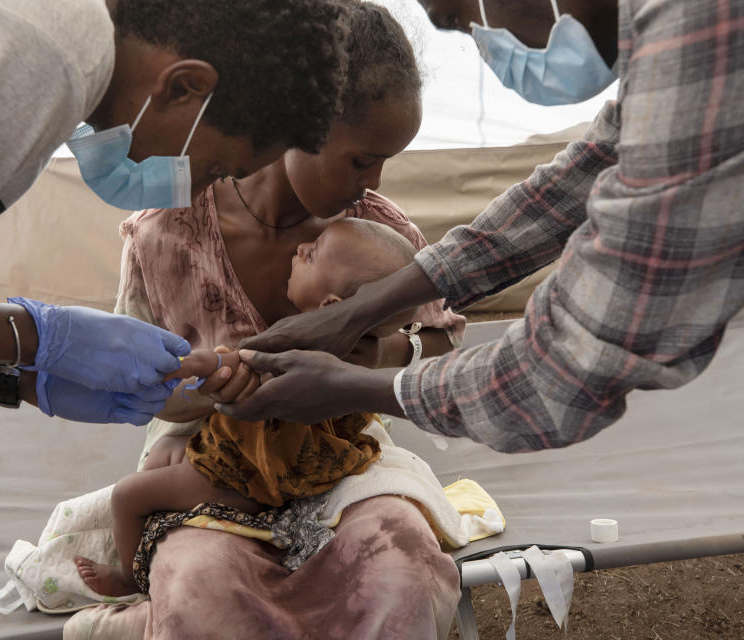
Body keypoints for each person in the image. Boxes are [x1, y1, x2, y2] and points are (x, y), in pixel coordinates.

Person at [219, 0, 744, 453]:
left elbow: (564, 370)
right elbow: (590, 171)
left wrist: (353, 386)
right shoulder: (680, 30)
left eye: (460, 20)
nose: (482, 44)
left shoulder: (711, 32)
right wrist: (359, 312)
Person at [75, 4, 466, 636]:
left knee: (404, 574)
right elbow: (149, 392)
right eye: (361, 159)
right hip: (209, 461)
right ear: (301, 127)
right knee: (202, 594)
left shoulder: (380, 237)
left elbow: (441, 347)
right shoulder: (167, 235)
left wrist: (375, 357)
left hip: (337, 459)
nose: (373, 182)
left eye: (386, 161)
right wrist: (205, 392)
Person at [0, 0, 349, 427]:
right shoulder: (41, 58)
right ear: (182, 86)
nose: (192, 193)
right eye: (214, 168)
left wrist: (22, 377)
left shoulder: (62, 48)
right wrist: (39, 336)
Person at [75, 219, 422, 598]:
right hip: (254, 453)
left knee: (127, 496)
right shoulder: (345, 353)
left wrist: (201, 365)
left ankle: (132, 578)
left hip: (249, 473)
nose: (301, 247)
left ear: (331, 305)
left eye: (314, 252)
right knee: (164, 450)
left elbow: (245, 368)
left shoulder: (306, 346)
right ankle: (173, 501)